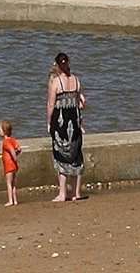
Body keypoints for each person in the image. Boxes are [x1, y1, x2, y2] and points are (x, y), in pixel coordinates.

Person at [46, 52, 86, 201]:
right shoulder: (76, 80)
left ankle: (63, 193)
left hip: (61, 120)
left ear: (57, 65)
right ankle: (77, 193)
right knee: (76, 154)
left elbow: (51, 104)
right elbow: (82, 100)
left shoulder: (56, 82)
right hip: (74, 120)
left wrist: (49, 122)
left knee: (60, 154)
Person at [0, 120, 22, 207]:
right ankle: (15, 200)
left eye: (0, 130)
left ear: (4, 132)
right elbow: (18, 148)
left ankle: (10, 201)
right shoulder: (12, 140)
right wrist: (17, 154)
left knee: (9, 183)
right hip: (14, 166)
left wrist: (14, 157)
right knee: (13, 184)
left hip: (9, 165)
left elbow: (12, 150)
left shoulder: (5, 142)